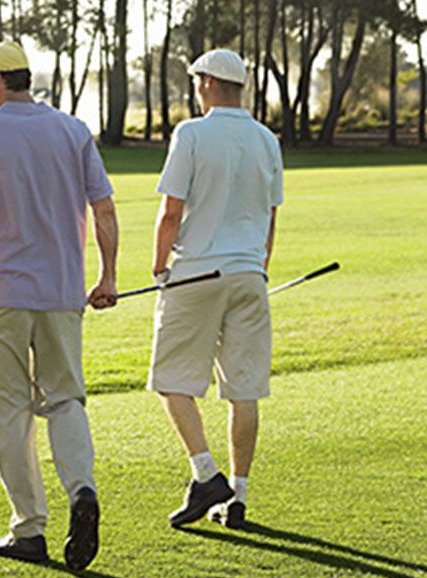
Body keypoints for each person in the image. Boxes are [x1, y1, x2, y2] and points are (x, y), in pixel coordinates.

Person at [0, 41, 119, 571]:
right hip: (63, 292)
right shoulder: (73, 130)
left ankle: (29, 528)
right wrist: (106, 276)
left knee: (9, 411)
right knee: (66, 400)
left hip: (1, 293)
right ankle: (82, 490)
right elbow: (105, 209)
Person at [148, 49, 283, 530]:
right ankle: (238, 499)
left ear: (206, 82)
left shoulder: (192, 133)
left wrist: (158, 267)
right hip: (249, 274)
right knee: (242, 389)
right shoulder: (267, 139)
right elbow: (270, 216)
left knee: (171, 380)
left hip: (196, 274)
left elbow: (171, 211)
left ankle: (207, 475)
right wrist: (258, 269)